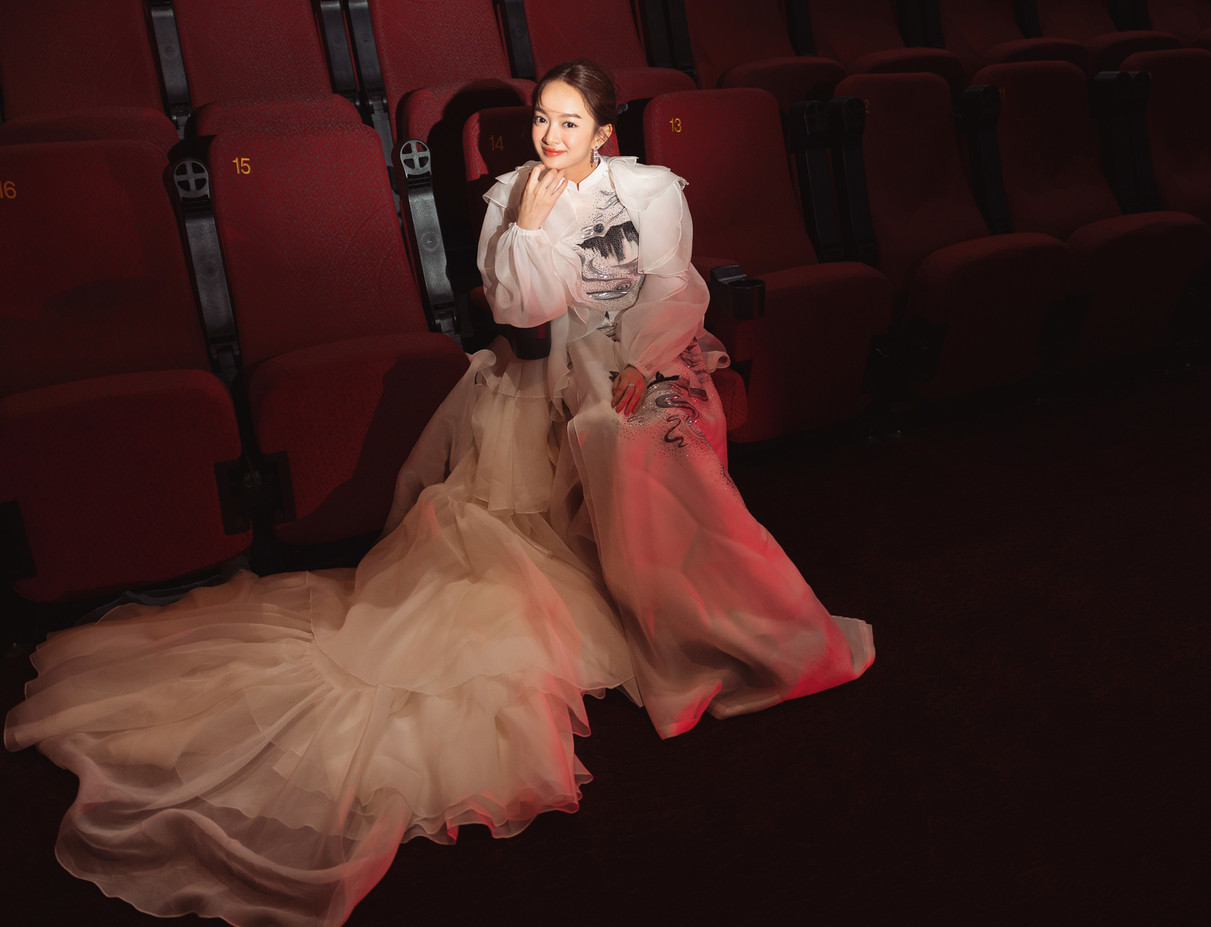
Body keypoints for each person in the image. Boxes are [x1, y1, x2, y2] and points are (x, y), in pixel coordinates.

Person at [4, 60, 873, 927]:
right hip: (552, 369)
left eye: (570, 123)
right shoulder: (510, 197)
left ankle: (745, 632)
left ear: (605, 134)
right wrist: (528, 223)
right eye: (542, 119)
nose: (550, 136)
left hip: (654, 359)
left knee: (651, 445)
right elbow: (522, 310)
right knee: (603, 439)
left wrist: (643, 366)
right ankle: (677, 632)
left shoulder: (652, 191)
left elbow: (672, 286)